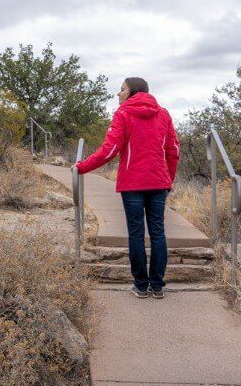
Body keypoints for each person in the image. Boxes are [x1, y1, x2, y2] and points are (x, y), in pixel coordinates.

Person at [75, 77, 180, 299]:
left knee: (135, 233)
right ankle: (157, 286)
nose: (118, 94)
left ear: (132, 91)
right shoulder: (163, 114)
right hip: (159, 182)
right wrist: (168, 178)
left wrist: (82, 167)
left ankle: (141, 286)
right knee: (158, 232)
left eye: (122, 89)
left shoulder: (123, 114)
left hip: (133, 184)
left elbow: (110, 149)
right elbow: (173, 150)